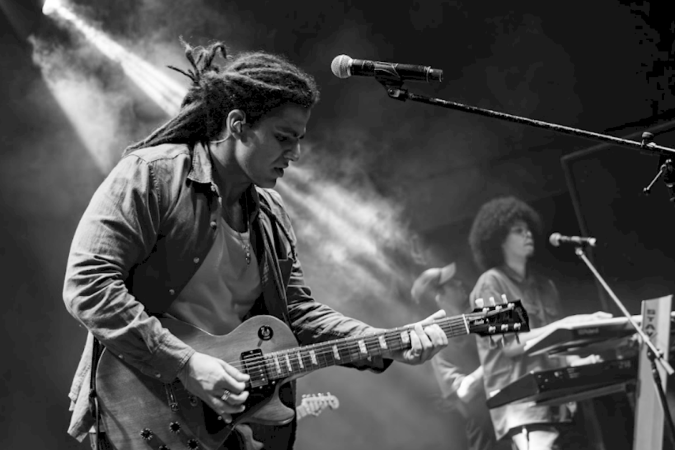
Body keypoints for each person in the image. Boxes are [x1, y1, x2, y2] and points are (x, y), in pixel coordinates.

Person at [62, 39, 449, 450]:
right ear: (237, 124)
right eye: (283, 138)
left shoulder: (270, 212)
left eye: (299, 139)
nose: (295, 153)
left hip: (229, 429)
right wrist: (186, 364)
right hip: (146, 418)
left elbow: (297, 313)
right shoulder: (151, 175)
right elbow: (88, 285)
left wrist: (386, 341)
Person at [467, 196, 609, 450]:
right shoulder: (490, 284)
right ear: (498, 239)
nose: (528, 234)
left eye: (528, 229)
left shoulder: (545, 286)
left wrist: (579, 361)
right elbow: (509, 346)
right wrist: (566, 324)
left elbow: (556, 346)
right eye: (517, 230)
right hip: (523, 406)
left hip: (561, 400)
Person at [412, 262, 509, 450]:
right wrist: (498, 358)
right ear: (438, 297)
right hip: (491, 436)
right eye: (451, 283)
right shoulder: (437, 346)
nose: (459, 283)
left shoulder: (478, 317)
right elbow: (465, 391)